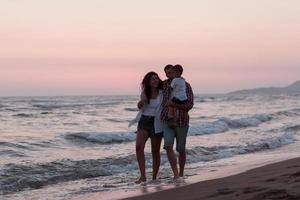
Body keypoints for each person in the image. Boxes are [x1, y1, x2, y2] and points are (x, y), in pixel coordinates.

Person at [129, 72, 164, 184]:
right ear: (148, 82)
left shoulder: (162, 93)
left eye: (156, 78)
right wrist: (140, 103)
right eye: (153, 79)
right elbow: (141, 103)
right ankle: (143, 176)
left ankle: (154, 177)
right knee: (139, 147)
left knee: (155, 151)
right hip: (144, 121)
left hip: (156, 123)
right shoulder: (145, 92)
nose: (155, 80)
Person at [161, 64, 194, 181]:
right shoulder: (164, 85)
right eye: (166, 73)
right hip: (167, 120)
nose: (168, 75)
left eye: (170, 72)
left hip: (182, 120)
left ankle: (181, 173)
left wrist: (174, 104)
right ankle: (175, 174)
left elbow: (189, 104)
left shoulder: (186, 85)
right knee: (168, 145)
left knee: (180, 149)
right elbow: (152, 91)